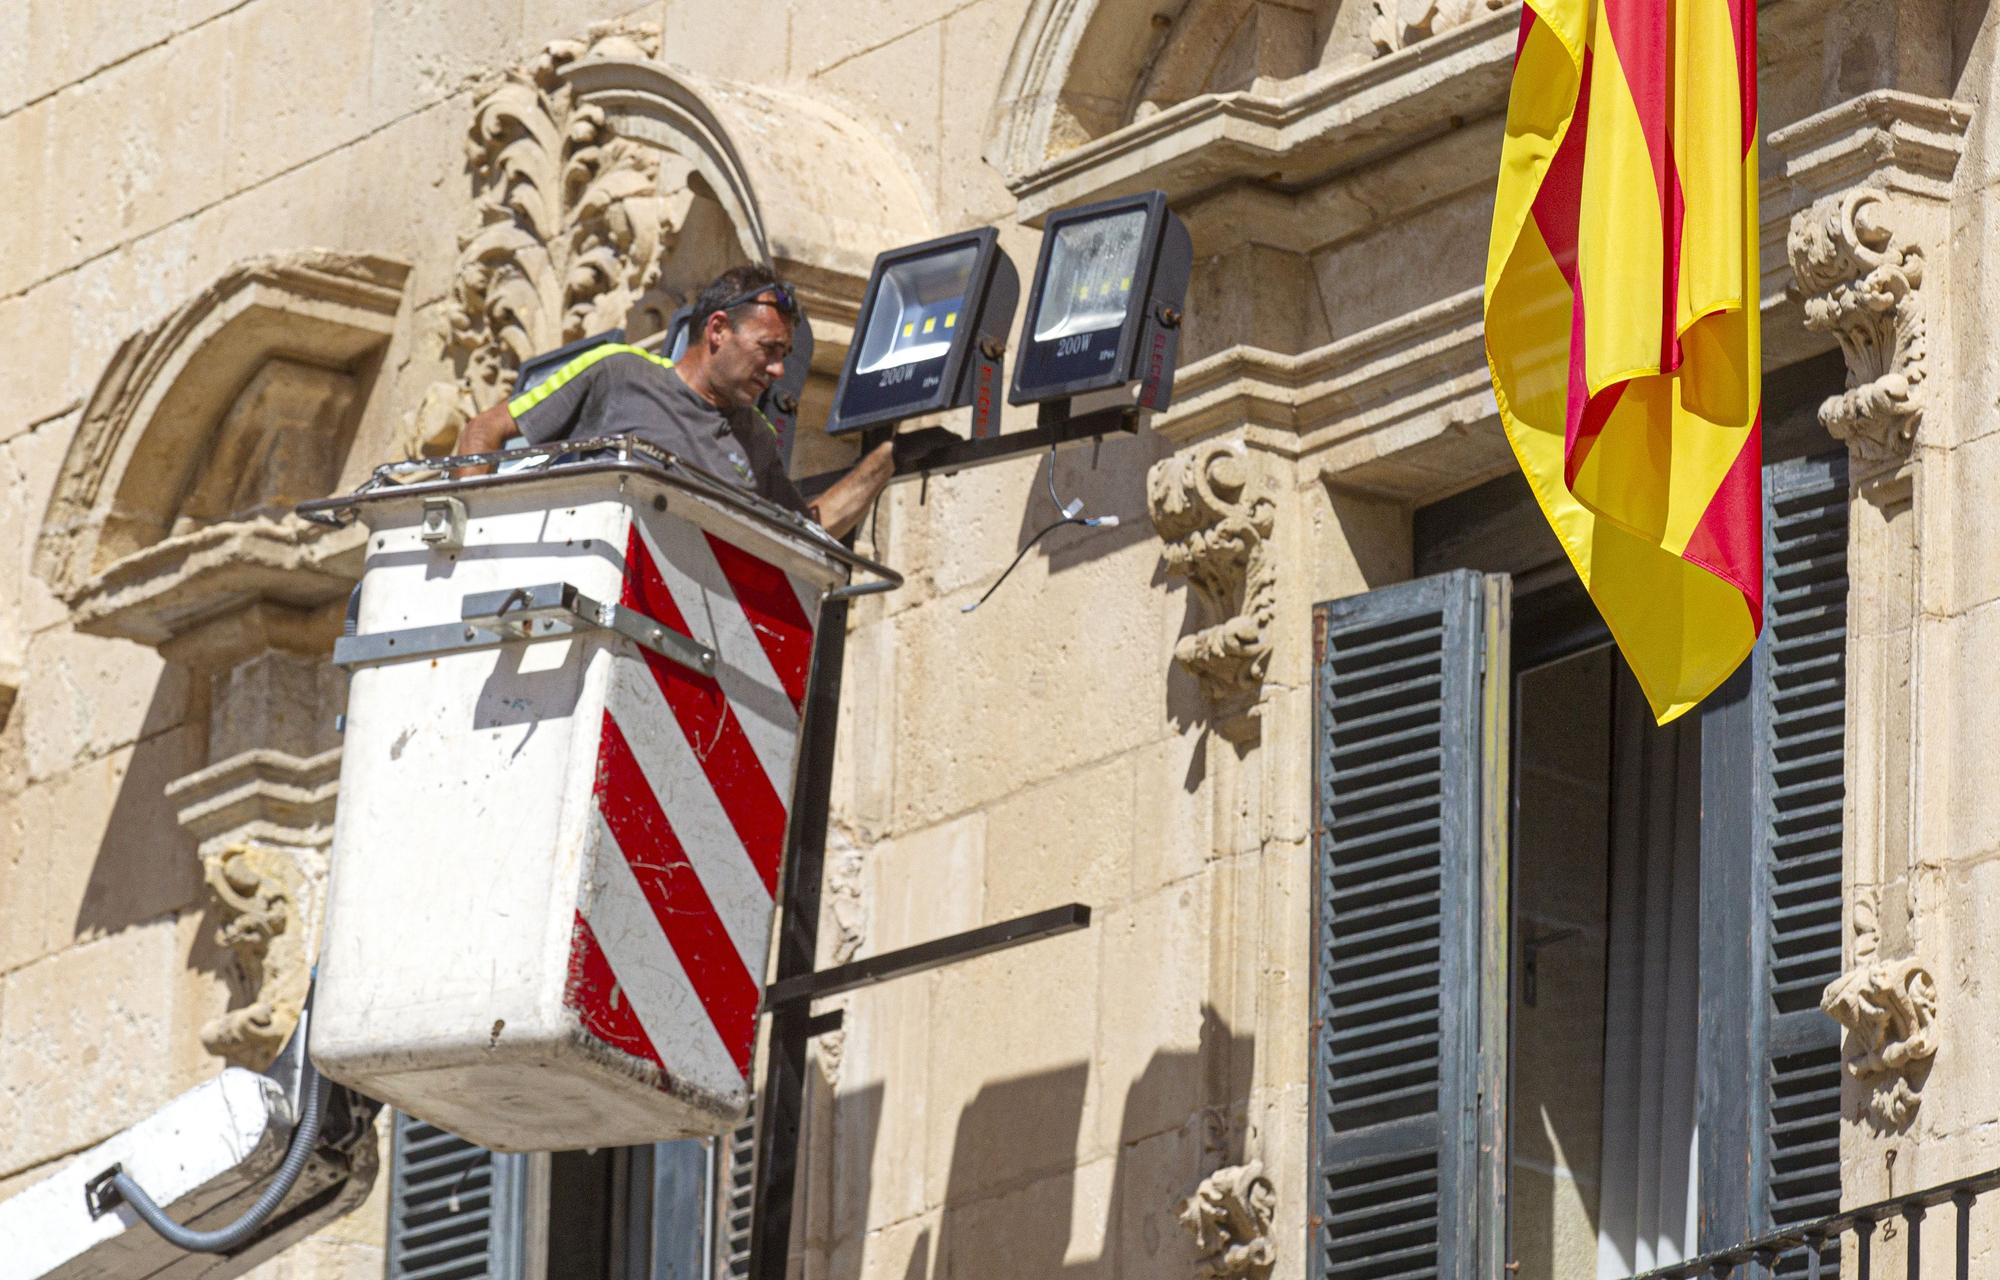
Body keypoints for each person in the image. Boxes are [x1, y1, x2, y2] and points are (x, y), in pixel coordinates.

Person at [453, 264, 894, 537]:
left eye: (785, 357)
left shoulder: (754, 435)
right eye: (768, 350)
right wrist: (472, 543)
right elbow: (484, 431)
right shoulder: (618, 371)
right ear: (718, 330)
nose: (779, 371)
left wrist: (888, 459)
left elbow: (807, 533)